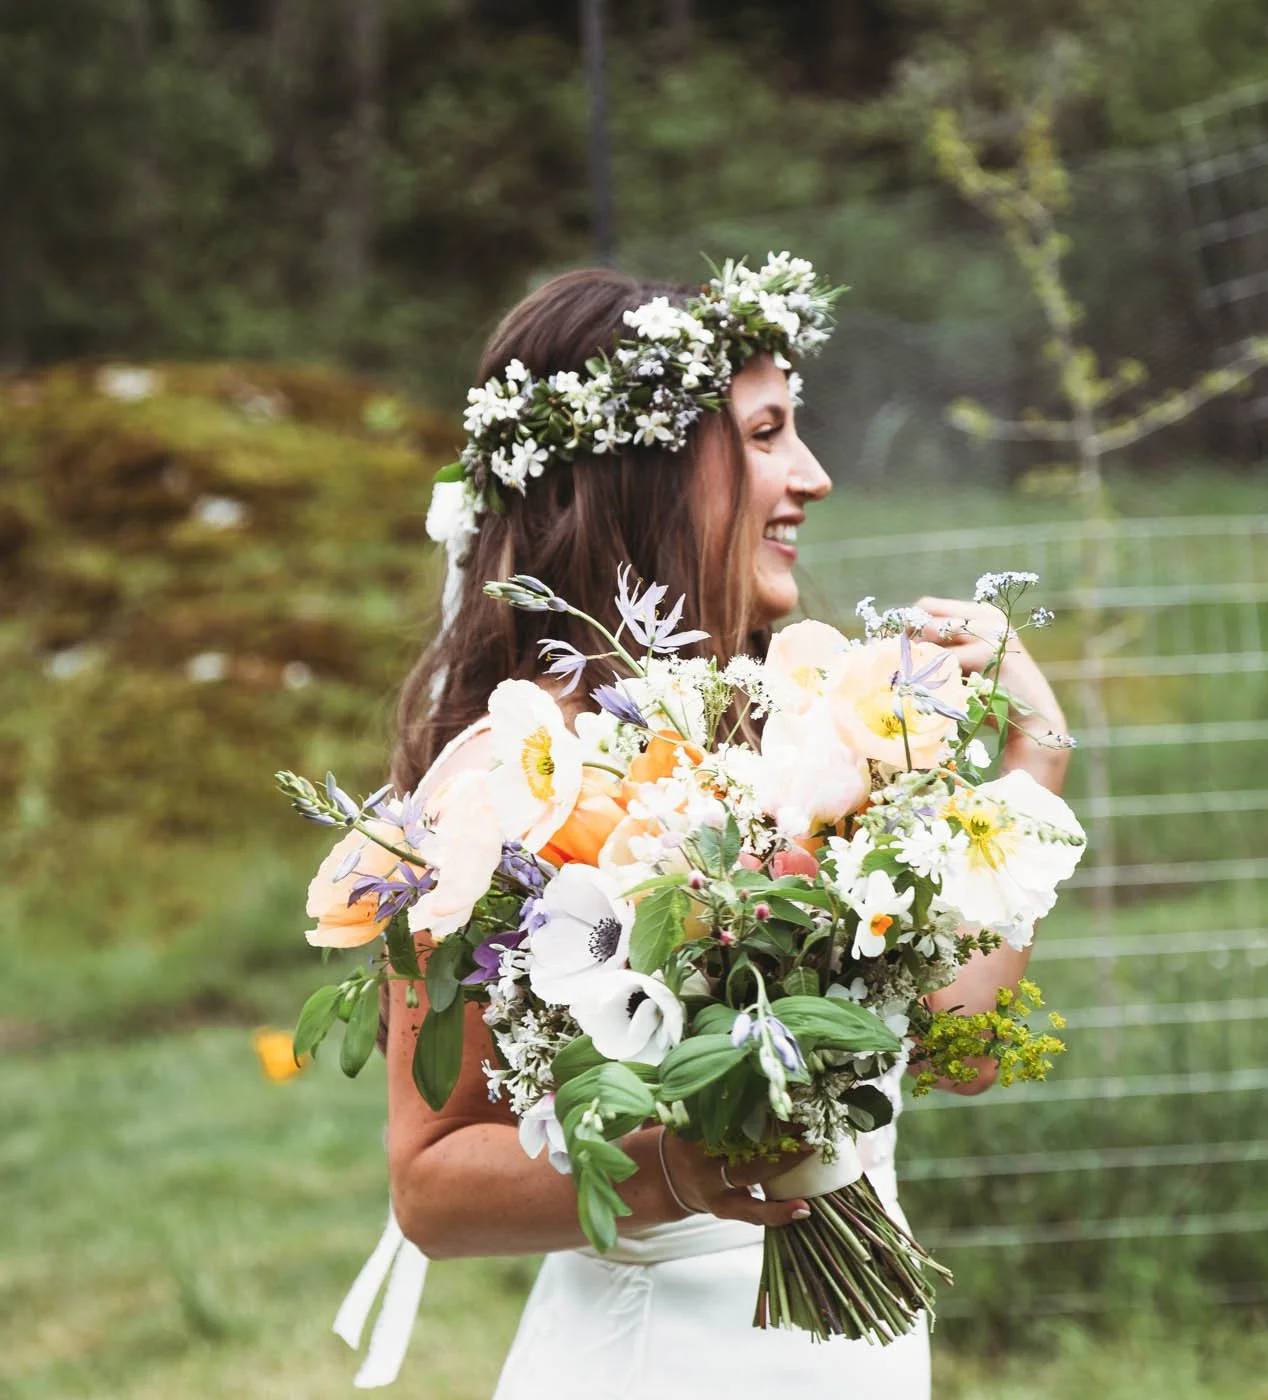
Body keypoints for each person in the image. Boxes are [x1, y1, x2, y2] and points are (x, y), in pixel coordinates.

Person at [339, 257, 1070, 1396]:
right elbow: (432, 1184)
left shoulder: (813, 734)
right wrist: (687, 1165)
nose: (814, 476)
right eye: (769, 432)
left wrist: (1035, 758)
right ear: (649, 470)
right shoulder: (507, 783)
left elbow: (954, 1049)